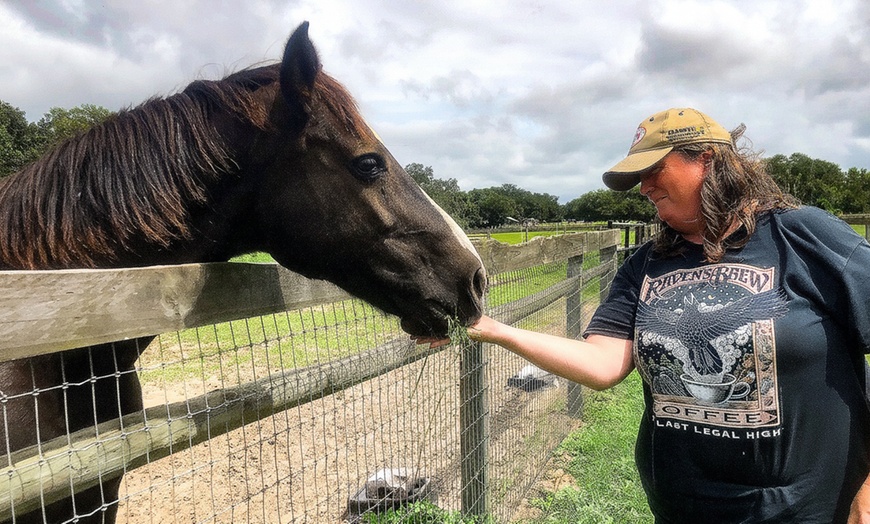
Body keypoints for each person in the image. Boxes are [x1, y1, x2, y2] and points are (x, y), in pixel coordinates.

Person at [419, 108, 870, 523]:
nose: (644, 187)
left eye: (654, 170)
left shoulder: (804, 236)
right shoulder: (645, 264)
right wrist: (491, 329)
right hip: (682, 505)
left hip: (804, 507)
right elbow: (602, 363)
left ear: (709, 160)